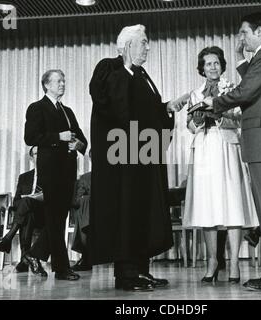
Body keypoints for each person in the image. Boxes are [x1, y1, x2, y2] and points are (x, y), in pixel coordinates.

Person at [89, 24, 187, 292]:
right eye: (143, 42)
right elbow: (110, 103)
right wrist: (127, 66)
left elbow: (146, 110)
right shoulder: (110, 68)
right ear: (129, 45)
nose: (148, 47)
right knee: (126, 212)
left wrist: (167, 107)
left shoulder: (141, 74)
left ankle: (142, 270)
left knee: (143, 210)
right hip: (121, 157)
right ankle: (126, 274)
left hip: (143, 156)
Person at [202, 13, 261, 291]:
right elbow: (253, 82)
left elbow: (246, 90)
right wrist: (243, 57)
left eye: (244, 33)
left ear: (258, 32)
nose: (241, 38)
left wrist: (213, 103)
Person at [183, 46, 258, 284]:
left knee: (232, 202)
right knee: (208, 206)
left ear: (222, 66)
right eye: (208, 64)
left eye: (216, 63)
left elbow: (240, 116)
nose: (212, 67)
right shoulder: (195, 93)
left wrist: (220, 115)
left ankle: (234, 263)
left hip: (227, 146)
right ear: (202, 69)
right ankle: (212, 262)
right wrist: (197, 119)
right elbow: (190, 125)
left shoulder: (233, 88)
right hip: (205, 149)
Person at [24, 69, 88, 280]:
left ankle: (34, 254)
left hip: (68, 172)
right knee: (54, 217)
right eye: (58, 81)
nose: (62, 84)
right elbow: (30, 136)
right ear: (47, 85)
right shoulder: (37, 108)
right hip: (50, 172)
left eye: (63, 80)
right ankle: (61, 268)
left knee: (59, 218)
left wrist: (77, 144)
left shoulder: (68, 111)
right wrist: (58, 137)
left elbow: (82, 140)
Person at [0, 146, 46, 273]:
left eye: (41, 153)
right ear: (32, 158)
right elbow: (16, 202)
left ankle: (8, 239)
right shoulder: (24, 177)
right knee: (26, 211)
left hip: (44, 215)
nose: (38, 156)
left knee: (27, 205)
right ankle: (27, 260)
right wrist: (28, 200)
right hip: (27, 214)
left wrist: (34, 199)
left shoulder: (50, 175)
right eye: (36, 154)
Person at [70, 149, 92, 272]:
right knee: (85, 203)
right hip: (90, 214)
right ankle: (86, 254)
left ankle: (86, 256)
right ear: (90, 159)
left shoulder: (112, 176)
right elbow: (77, 200)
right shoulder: (85, 178)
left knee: (86, 204)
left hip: (109, 212)